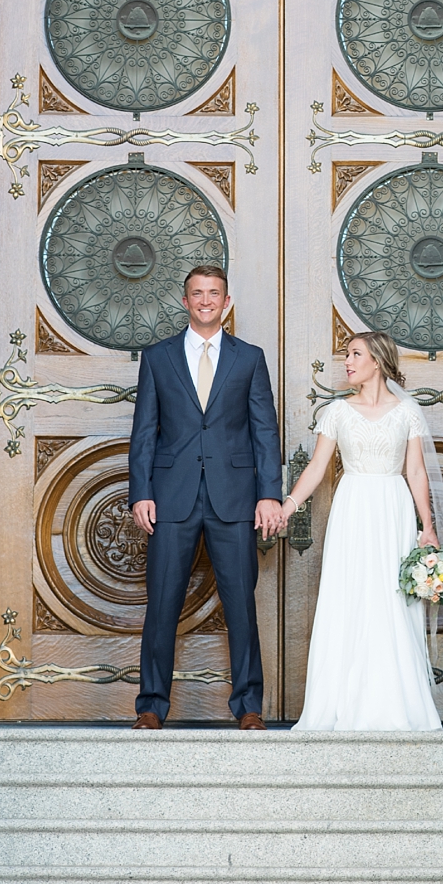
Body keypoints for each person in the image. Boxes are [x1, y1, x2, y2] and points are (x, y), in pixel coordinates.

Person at [127, 264, 286, 729]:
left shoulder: (250, 358)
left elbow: (264, 431)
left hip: (235, 499)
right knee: (161, 605)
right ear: (185, 301)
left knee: (240, 605)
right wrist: (141, 492)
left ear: (226, 302)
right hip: (170, 497)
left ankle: (249, 708)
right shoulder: (158, 357)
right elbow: (144, 432)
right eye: (197, 293)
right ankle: (151, 707)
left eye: (213, 293)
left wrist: (269, 495)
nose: (205, 300)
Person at [277, 330, 443, 731]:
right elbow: (317, 467)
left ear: (378, 361)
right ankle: (340, 701)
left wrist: (427, 527)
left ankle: (394, 705)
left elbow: (416, 471)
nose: (347, 363)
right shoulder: (337, 412)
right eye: (346, 355)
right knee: (350, 597)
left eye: (355, 355)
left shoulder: (407, 412)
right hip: (353, 507)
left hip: (393, 507)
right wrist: (288, 505)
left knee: (390, 601)